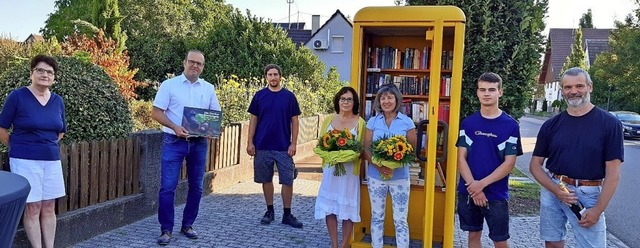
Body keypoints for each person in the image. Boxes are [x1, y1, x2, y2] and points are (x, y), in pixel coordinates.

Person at [529, 67, 623, 248]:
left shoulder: (610, 124)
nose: (573, 91)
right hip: (553, 189)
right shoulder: (551, 125)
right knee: (553, 243)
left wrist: (597, 209)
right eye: (567, 87)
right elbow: (535, 165)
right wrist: (556, 191)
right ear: (562, 90)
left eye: (579, 86)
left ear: (590, 87)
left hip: (588, 195)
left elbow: (613, 173)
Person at [151, 50, 221, 245]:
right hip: (174, 141)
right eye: (192, 62)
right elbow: (156, 112)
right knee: (167, 187)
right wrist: (174, 126)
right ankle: (166, 229)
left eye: (199, 63)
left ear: (203, 67)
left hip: (199, 143)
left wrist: (211, 129)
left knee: (197, 187)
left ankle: (188, 225)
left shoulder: (208, 88)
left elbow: (215, 114)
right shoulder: (169, 85)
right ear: (184, 63)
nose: (195, 66)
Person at [0, 55, 66, 248]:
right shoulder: (17, 96)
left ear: (54, 78)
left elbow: (60, 131)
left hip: (51, 161)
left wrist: (46, 145)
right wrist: (18, 146)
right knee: (33, 208)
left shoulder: (57, 101)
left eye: (49, 72)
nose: (45, 75)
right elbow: (2, 129)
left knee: (49, 207)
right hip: (25, 160)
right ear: (32, 73)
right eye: (40, 70)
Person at [455, 72, 523, 248]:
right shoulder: (468, 123)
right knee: (473, 235)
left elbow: (509, 164)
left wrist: (481, 185)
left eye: (492, 89)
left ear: (500, 92)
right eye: (482, 89)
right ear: (477, 92)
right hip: (469, 191)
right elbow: (460, 158)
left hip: (496, 194)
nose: (487, 93)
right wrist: (474, 188)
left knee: (500, 241)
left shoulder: (510, 125)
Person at [246, 64, 303, 228]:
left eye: (275, 74)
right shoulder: (259, 96)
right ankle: (269, 211)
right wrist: (250, 142)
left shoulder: (289, 97)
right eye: (270, 75)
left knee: (288, 180)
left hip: (284, 147)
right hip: (262, 145)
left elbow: (295, 121)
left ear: (280, 76)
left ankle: (287, 214)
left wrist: (293, 143)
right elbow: (253, 120)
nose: (273, 77)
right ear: (266, 77)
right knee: (266, 179)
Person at [363, 83, 417, 248]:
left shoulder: (406, 122)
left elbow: (411, 150)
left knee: (400, 219)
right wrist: (379, 166)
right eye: (383, 98)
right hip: (375, 177)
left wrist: (394, 165)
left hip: (400, 177)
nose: (386, 101)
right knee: (377, 216)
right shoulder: (372, 121)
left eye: (390, 97)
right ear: (379, 101)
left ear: (396, 100)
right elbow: (366, 148)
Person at [314, 87, 366, 248]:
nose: (345, 102)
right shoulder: (329, 119)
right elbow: (321, 144)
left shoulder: (360, 122)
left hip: (350, 173)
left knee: (347, 211)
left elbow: (361, 148)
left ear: (354, 102)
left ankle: (344, 245)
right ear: (337, 101)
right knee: (330, 209)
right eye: (342, 99)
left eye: (349, 99)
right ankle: (334, 244)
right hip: (331, 171)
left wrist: (348, 155)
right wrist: (332, 156)